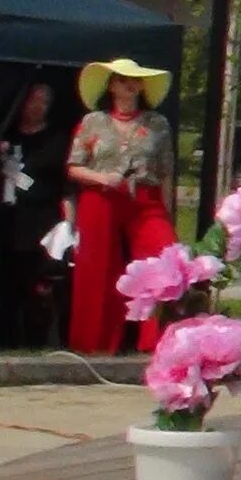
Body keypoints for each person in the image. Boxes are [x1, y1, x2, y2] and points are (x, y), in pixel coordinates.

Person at [63, 58, 179, 355]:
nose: (131, 84)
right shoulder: (93, 122)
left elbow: (166, 172)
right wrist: (102, 177)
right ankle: (96, 342)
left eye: (136, 79)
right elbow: (74, 167)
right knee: (98, 267)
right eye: (123, 79)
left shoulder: (157, 124)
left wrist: (167, 212)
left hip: (145, 197)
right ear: (112, 85)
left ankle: (157, 339)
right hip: (101, 196)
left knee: (163, 260)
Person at [0, 80, 74, 347]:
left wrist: (69, 223)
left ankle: (38, 340)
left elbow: (65, 186)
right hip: (8, 219)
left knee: (40, 285)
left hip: (42, 222)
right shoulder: (6, 135)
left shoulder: (57, 140)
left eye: (44, 101)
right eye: (33, 100)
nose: (37, 106)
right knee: (10, 282)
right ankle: (6, 339)